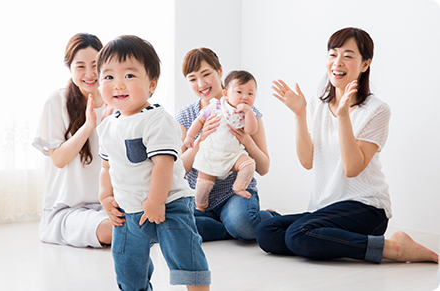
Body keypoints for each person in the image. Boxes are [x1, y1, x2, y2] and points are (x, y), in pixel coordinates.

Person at [255, 27, 439, 264]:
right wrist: (300, 114)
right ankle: (325, 237)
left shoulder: (377, 110)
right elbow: (308, 161)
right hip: (325, 207)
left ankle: (395, 248)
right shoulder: (316, 104)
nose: (337, 62)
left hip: (366, 207)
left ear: (364, 65)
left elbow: (352, 168)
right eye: (332, 54)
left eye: (348, 55)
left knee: (298, 235)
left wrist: (343, 117)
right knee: (266, 232)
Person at [97, 35, 210, 291]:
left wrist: (155, 202)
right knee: (127, 265)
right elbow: (106, 168)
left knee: (184, 256)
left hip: (168, 204)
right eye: (108, 77)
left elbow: (163, 164)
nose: (118, 85)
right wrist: (105, 197)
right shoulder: (106, 127)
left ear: (152, 84)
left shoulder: (156, 119)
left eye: (129, 75)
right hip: (128, 212)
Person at [176, 48, 278, 242]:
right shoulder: (186, 115)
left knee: (243, 224)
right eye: (192, 78)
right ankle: (229, 225)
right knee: (176, 224)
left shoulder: (247, 111)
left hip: (234, 194)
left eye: (206, 74)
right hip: (199, 198)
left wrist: (247, 142)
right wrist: (199, 141)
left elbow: (264, 168)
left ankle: (259, 219)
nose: (201, 84)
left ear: (220, 71)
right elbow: (178, 171)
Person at [32, 33, 112, 248]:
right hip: (66, 209)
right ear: (69, 69)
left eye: (95, 65)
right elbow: (58, 159)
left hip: (110, 203)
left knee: (152, 221)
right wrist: (88, 126)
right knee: (111, 231)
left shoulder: (117, 100)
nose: (89, 74)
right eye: (80, 66)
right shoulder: (57, 101)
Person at [183, 70, 258, 212]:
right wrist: (190, 136)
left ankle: (239, 187)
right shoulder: (215, 106)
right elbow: (199, 120)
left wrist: (248, 113)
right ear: (226, 94)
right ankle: (200, 206)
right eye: (239, 92)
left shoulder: (248, 113)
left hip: (233, 155)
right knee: (203, 185)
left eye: (250, 94)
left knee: (249, 164)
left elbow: (250, 130)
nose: (245, 97)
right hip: (210, 154)